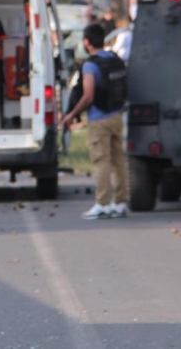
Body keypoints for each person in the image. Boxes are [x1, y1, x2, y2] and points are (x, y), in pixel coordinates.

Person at [60, 23, 129, 220]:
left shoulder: (91, 65)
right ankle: (121, 202)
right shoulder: (114, 59)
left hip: (99, 120)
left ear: (87, 42)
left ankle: (103, 203)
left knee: (101, 161)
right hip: (117, 115)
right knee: (118, 161)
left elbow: (88, 96)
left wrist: (72, 113)